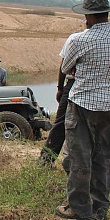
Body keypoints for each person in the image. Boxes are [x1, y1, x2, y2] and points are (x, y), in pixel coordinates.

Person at [55, 0, 110, 220]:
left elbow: (66, 67)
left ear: (88, 16)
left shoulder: (79, 40)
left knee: (79, 157)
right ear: (107, 13)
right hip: (109, 105)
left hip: (83, 104)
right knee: (103, 156)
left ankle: (79, 208)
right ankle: (100, 208)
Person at [38, 30, 82, 167]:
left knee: (61, 122)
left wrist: (60, 88)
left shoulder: (74, 38)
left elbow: (64, 66)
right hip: (101, 89)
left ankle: (47, 160)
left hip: (74, 83)